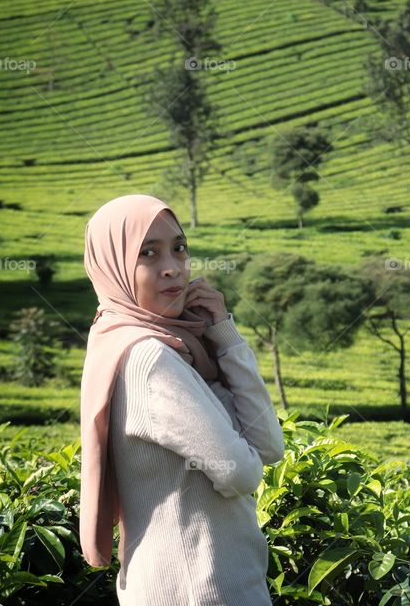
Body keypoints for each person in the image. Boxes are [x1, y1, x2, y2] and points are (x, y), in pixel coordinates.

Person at [79, 194, 285, 605]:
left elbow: (269, 447)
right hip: (198, 586)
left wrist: (224, 335)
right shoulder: (151, 358)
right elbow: (243, 473)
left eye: (179, 247)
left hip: (203, 583)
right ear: (113, 266)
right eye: (147, 254)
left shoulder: (172, 349)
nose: (172, 266)